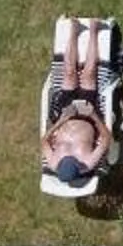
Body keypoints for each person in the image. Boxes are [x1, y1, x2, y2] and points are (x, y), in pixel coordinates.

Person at [42, 19, 112, 187]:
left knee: (69, 72)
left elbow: (44, 141)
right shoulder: (87, 162)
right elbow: (106, 139)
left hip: (66, 113)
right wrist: (93, 115)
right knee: (89, 73)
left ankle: (74, 31)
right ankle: (94, 30)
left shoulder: (53, 162)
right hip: (87, 116)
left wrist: (62, 120)